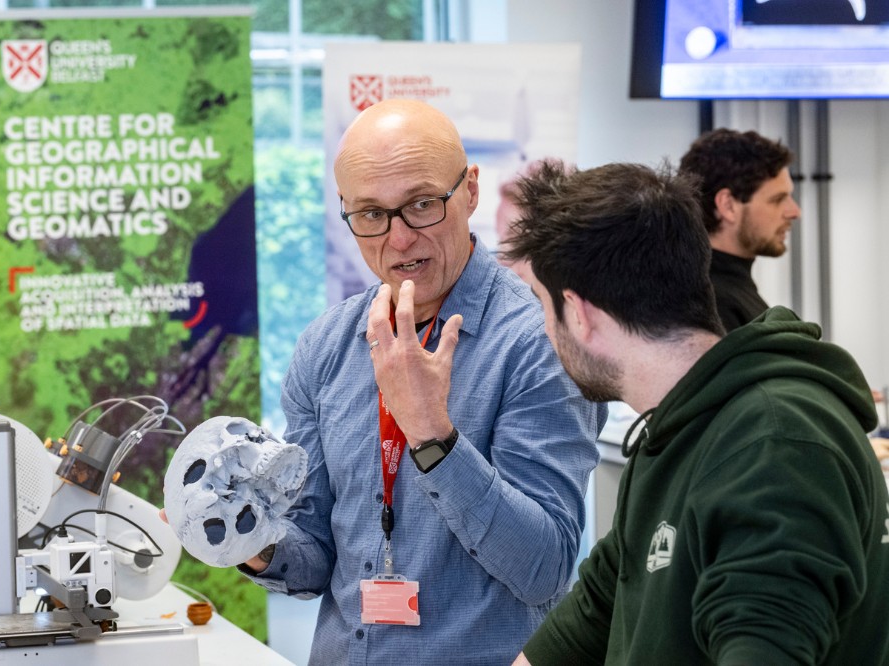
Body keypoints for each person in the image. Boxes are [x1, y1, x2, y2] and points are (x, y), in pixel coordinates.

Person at [239, 100, 607, 665]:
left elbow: (544, 569)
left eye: (420, 205)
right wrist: (247, 534)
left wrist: (432, 433)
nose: (400, 238)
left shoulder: (540, 343)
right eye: (369, 214)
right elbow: (312, 555)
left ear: (471, 191)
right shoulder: (326, 347)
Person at [503, 159, 889, 665]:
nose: (544, 330)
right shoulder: (673, 430)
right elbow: (596, 610)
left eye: (541, 304)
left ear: (578, 312)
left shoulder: (774, 448)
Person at [678, 127, 801, 332]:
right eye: (778, 199)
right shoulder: (712, 304)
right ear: (728, 205)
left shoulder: (725, 290)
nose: (795, 211)